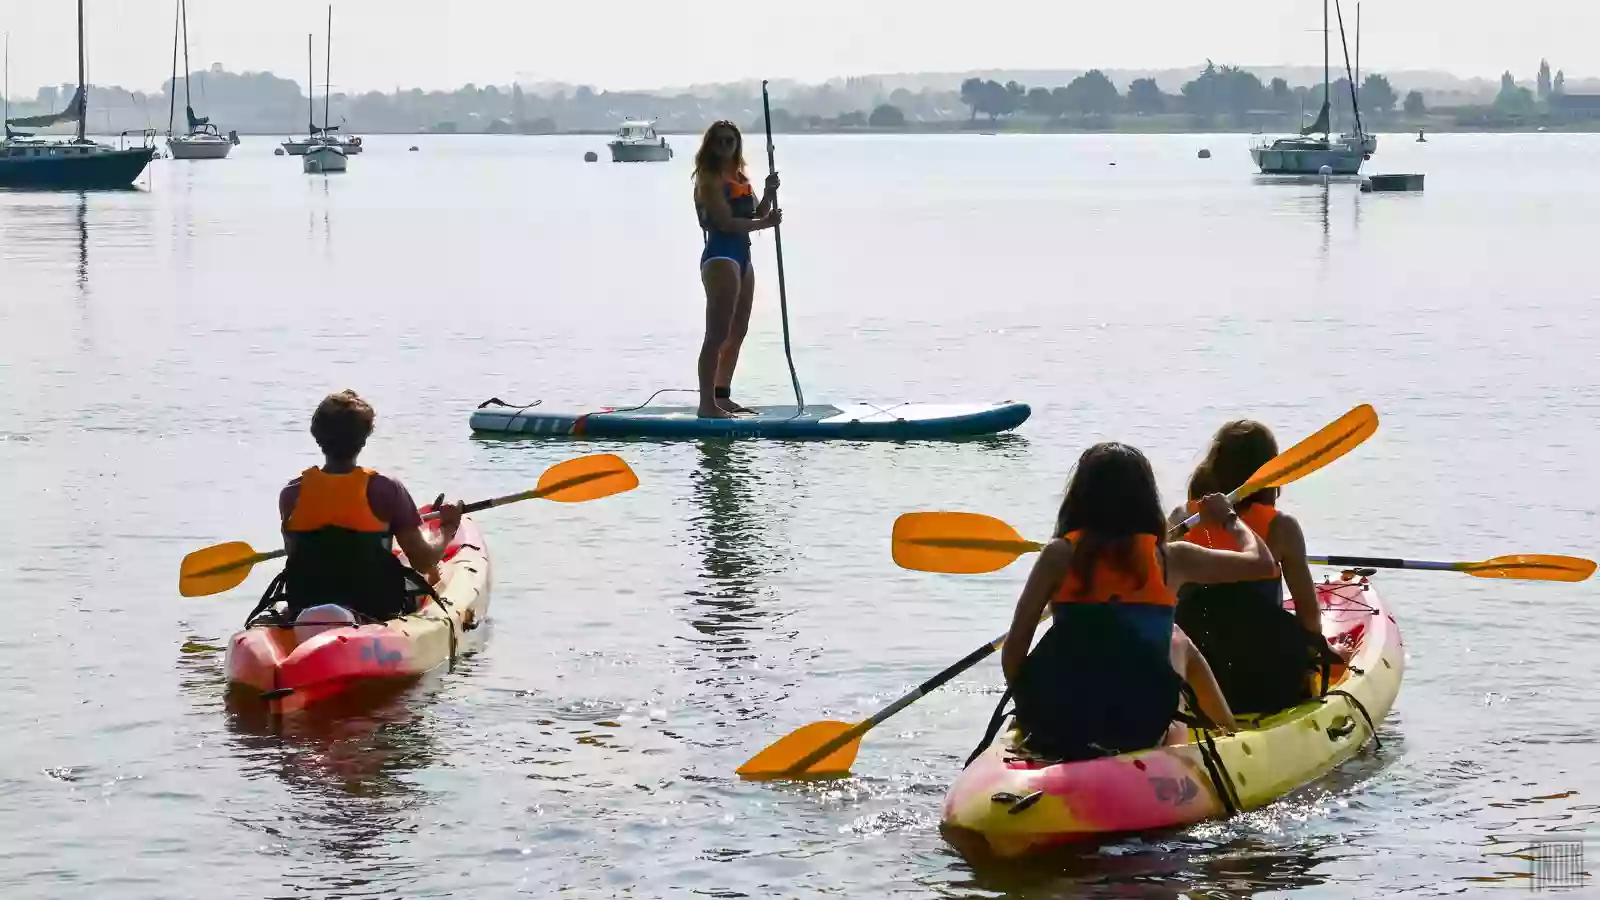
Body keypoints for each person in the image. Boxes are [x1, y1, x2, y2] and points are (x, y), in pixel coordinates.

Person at [997, 443, 1279, 762]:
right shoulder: (1171, 558)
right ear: (1147, 502)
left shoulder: (1058, 555)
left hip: (1061, 719)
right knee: (1178, 641)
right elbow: (1262, 564)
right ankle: (1231, 741)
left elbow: (1014, 651)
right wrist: (1229, 519)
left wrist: (1031, 712)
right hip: (1137, 727)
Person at [1171, 420, 1335, 716]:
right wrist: (1316, 654)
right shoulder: (1281, 528)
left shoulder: (1182, 520)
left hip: (1198, 682)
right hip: (1265, 681)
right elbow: (1309, 617)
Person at [263, 390, 463, 623]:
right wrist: (448, 528)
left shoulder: (291, 494)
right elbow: (423, 560)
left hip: (306, 604)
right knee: (423, 571)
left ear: (317, 436)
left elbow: (297, 556)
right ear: (364, 438)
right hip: (375, 608)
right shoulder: (386, 489)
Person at [692, 120, 781, 418]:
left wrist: (768, 193)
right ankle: (707, 405)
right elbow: (726, 223)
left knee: (738, 330)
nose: (726, 146)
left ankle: (722, 395)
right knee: (716, 334)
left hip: (743, 257)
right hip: (721, 257)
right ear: (711, 145)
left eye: (731, 141)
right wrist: (765, 224)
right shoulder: (708, 179)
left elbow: (758, 212)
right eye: (720, 141)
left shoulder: (740, 177)